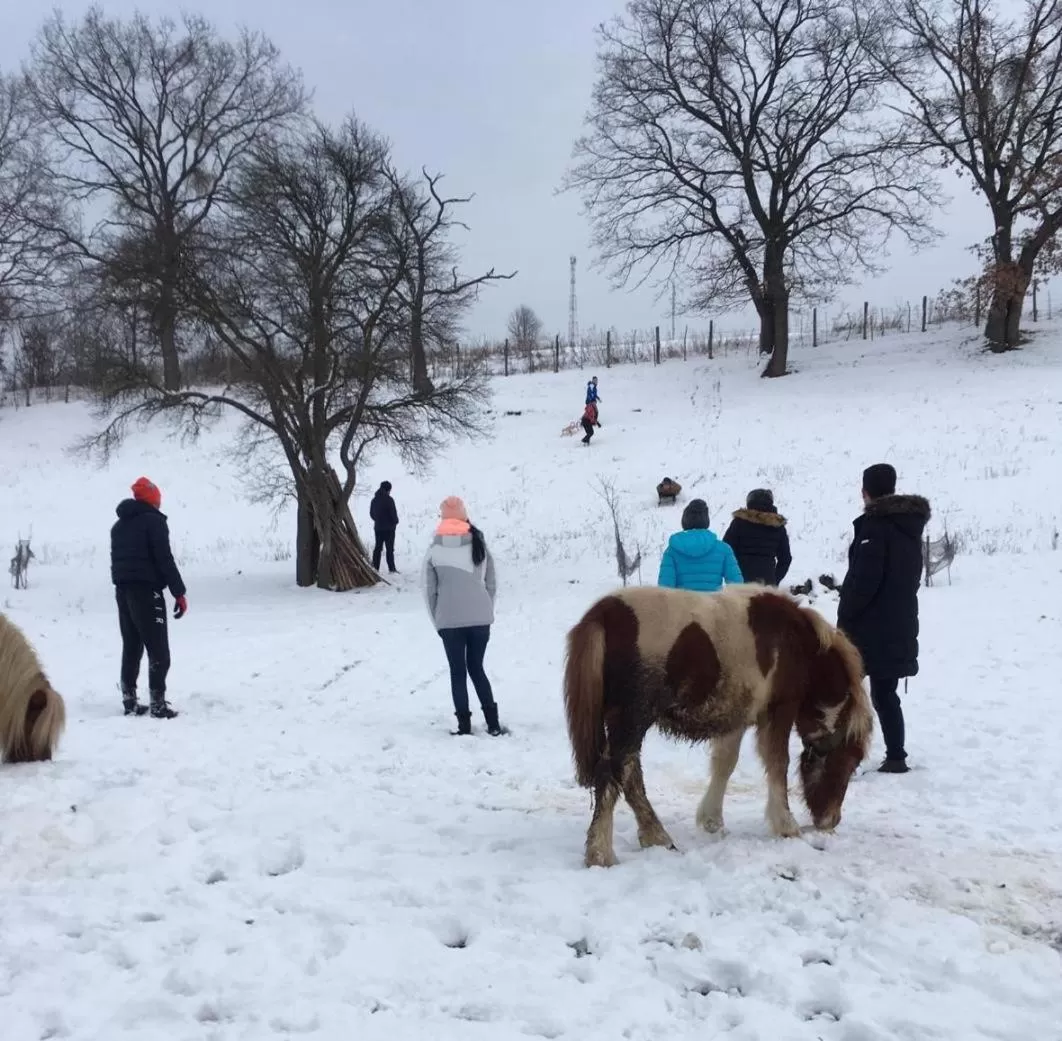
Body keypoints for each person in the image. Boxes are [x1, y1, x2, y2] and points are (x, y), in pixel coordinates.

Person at [837, 464, 931, 774]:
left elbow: (864, 582)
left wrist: (845, 614)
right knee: (885, 693)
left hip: (868, 628)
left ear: (865, 491)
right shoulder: (908, 527)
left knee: (848, 692)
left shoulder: (875, 528)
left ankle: (846, 758)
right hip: (899, 622)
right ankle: (896, 756)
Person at [423, 496, 506, 737]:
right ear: (464, 516)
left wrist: (438, 620)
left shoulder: (434, 550)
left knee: (457, 672)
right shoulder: (479, 544)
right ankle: (493, 723)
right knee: (477, 668)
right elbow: (492, 582)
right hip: (481, 619)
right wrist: (485, 607)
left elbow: (430, 591)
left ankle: (464, 726)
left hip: (449, 620)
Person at [110, 477, 187, 719]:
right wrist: (179, 592)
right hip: (147, 592)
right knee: (158, 650)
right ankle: (158, 703)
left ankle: (129, 700)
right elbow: (164, 559)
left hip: (122, 591)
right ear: (152, 497)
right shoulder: (153, 522)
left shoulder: (119, 526)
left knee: (132, 646)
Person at [658, 498, 744, 592]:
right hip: (713, 605)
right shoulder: (723, 549)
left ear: (684, 521)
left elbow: (665, 589)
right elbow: (737, 586)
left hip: (682, 605)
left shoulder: (672, 551)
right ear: (706, 520)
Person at [722, 488, 793, 586]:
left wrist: (732, 577)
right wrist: (774, 580)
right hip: (767, 585)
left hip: (740, 584)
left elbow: (726, 551)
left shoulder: (738, 523)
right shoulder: (777, 527)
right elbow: (786, 559)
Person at [369, 480, 399, 573]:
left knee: (378, 548)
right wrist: (395, 522)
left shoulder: (374, 500)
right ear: (388, 489)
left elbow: (371, 514)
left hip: (378, 528)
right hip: (389, 529)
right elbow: (393, 514)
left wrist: (378, 520)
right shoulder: (389, 500)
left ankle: (375, 568)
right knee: (389, 549)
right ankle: (392, 568)